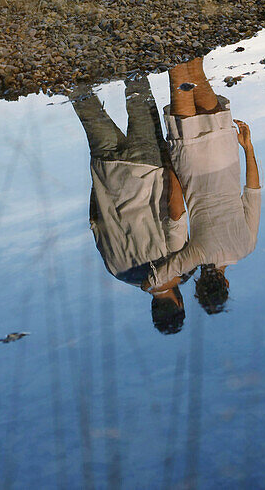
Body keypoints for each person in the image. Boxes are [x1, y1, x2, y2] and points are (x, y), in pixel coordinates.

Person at [71, 77, 191, 334]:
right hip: (108, 171)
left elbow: (176, 212)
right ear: (153, 308)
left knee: (139, 95)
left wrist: (170, 166)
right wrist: (99, 182)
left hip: (147, 168)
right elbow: (95, 221)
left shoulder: (177, 265)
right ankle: (62, 62)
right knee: (84, 102)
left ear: (180, 302)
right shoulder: (116, 271)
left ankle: (126, 52)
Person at [141, 57, 261, 314]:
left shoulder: (247, 246)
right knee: (179, 77)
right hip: (192, 160)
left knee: (197, 71)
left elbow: (252, 192)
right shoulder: (194, 256)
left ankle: (190, 32)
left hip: (224, 154)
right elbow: (150, 282)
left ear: (226, 283)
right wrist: (159, 284)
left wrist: (248, 148)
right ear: (197, 285)